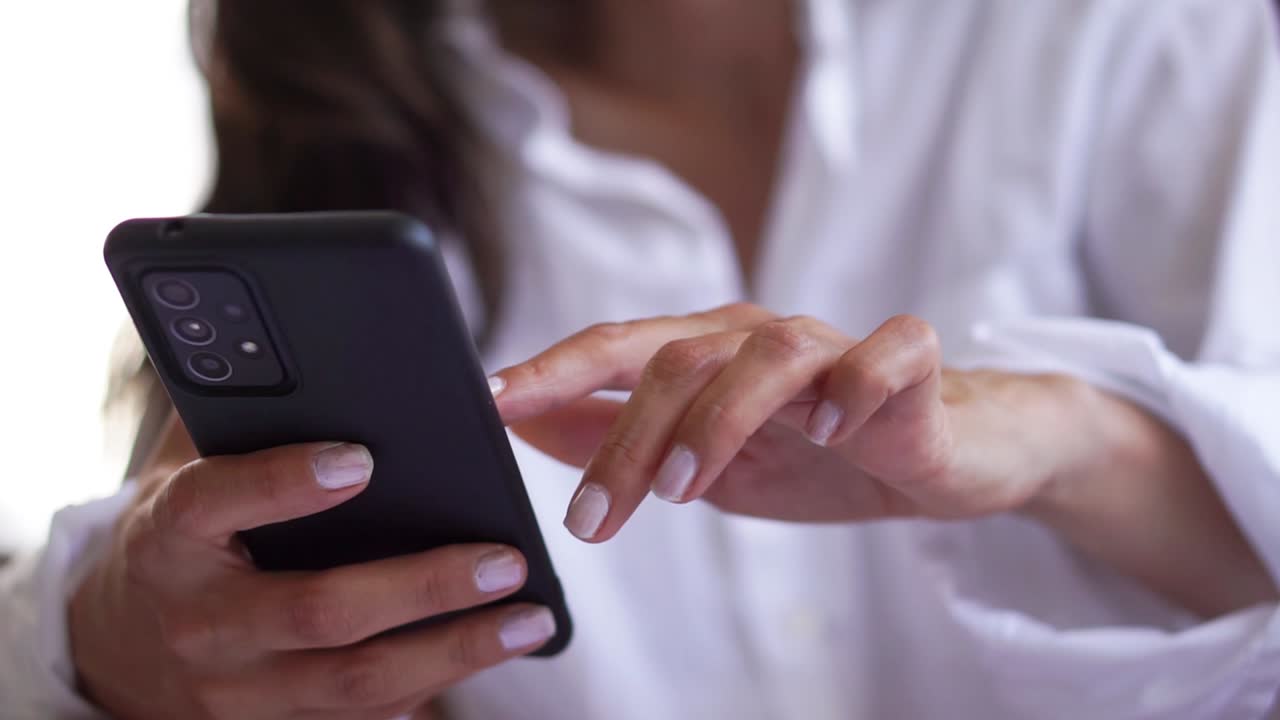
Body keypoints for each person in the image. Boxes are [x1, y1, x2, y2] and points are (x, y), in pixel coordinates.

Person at [3, 0, 1280, 717]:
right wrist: (104, 660)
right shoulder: (344, 93)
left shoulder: (1132, 31)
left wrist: (1064, 438)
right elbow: (143, 611)